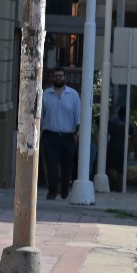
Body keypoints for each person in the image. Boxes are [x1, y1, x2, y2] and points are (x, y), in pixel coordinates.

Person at [40, 67, 81, 199]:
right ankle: (52, 190)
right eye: (56, 76)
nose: (59, 78)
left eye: (61, 76)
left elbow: (78, 115)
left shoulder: (73, 95)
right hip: (50, 135)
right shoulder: (45, 95)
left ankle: (64, 187)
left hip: (68, 136)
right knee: (51, 164)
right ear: (53, 78)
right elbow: (40, 115)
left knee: (67, 164)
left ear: (65, 78)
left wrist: (78, 132)